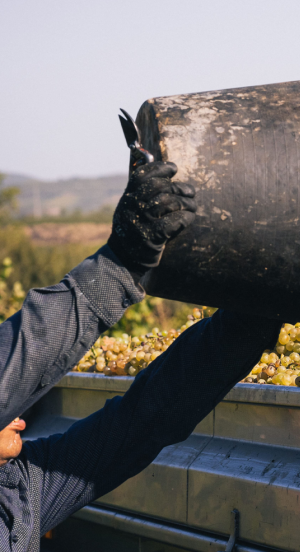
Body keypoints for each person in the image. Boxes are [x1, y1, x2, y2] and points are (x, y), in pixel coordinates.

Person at [0, 160, 281, 551]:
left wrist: (252, 319)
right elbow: (20, 361)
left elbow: (146, 419)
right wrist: (120, 262)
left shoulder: (21, 494)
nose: (21, 410)